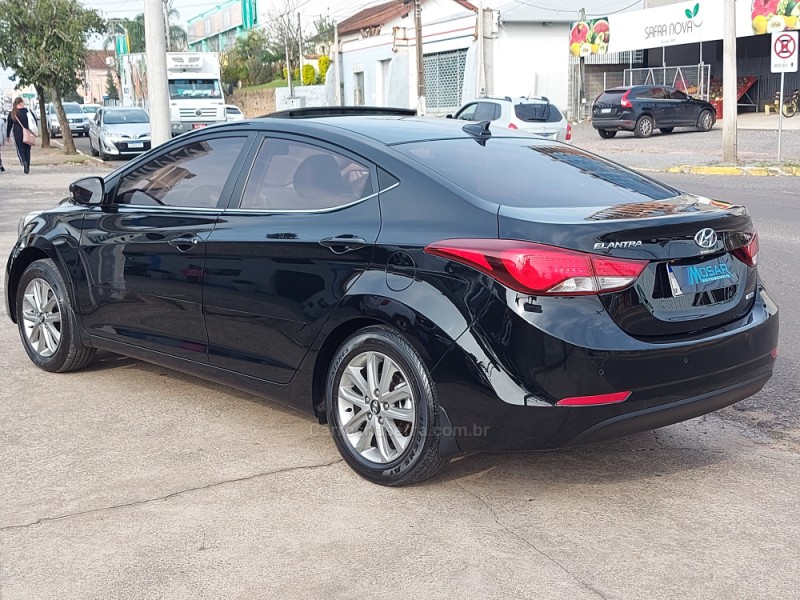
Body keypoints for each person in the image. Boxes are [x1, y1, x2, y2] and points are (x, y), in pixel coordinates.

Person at [5, 97, 35, 174]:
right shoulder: (27, 111)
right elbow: (33, 121)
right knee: (27, 150)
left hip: (18, 133)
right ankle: (27, 165)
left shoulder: (13, 113)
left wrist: (8, 135)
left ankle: (23, 161)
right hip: (28, 132)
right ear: (21, 103)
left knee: (20, 149)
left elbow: (9, 125)